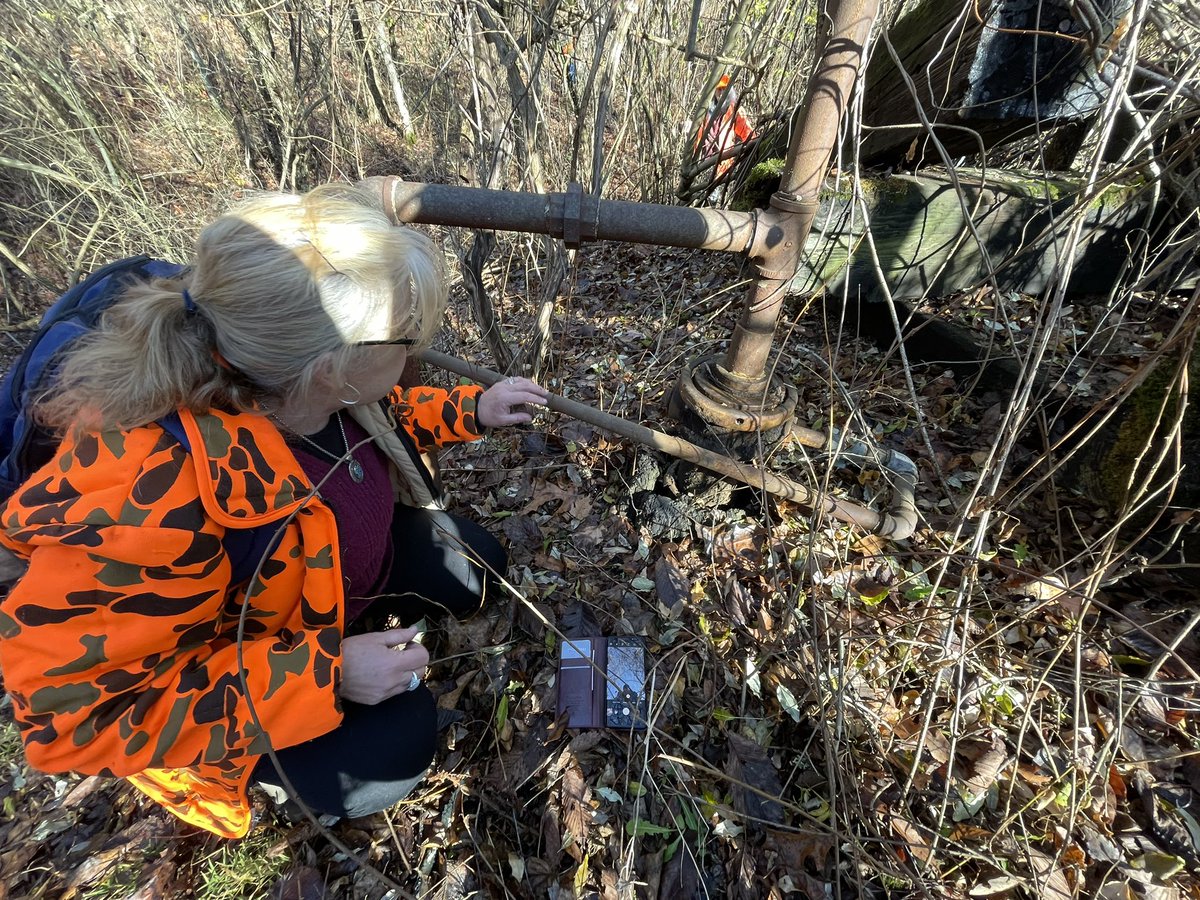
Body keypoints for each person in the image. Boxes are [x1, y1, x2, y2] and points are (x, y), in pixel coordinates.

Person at [0, 182, 549, 838]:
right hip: (259, 655)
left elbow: (381, 413)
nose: (418, 353)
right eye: (406, 339)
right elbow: (69, 721)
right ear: (330, 366)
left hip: (326, 581)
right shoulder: (146, 500)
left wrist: (471, 410)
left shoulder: (293, 378)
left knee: (476, 567)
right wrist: (327, 674)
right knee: (397, 748)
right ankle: (283, 777)